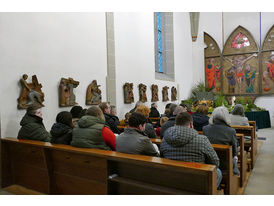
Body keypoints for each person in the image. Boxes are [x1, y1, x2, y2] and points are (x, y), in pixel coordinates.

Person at [160, 112, 222, 187]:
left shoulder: (165, 139)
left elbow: (162, 157)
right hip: (197, 180)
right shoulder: (202, 139)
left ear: (175, 125)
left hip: (172, 178)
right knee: (218, 172)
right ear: (191, 125)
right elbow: (215, 162)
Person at [203, 106, 240, 175]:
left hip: (208, 160)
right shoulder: (231, 131)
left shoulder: (205, 128)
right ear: (226, 116)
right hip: (225, 163)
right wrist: (235, 156)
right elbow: (235, 151)